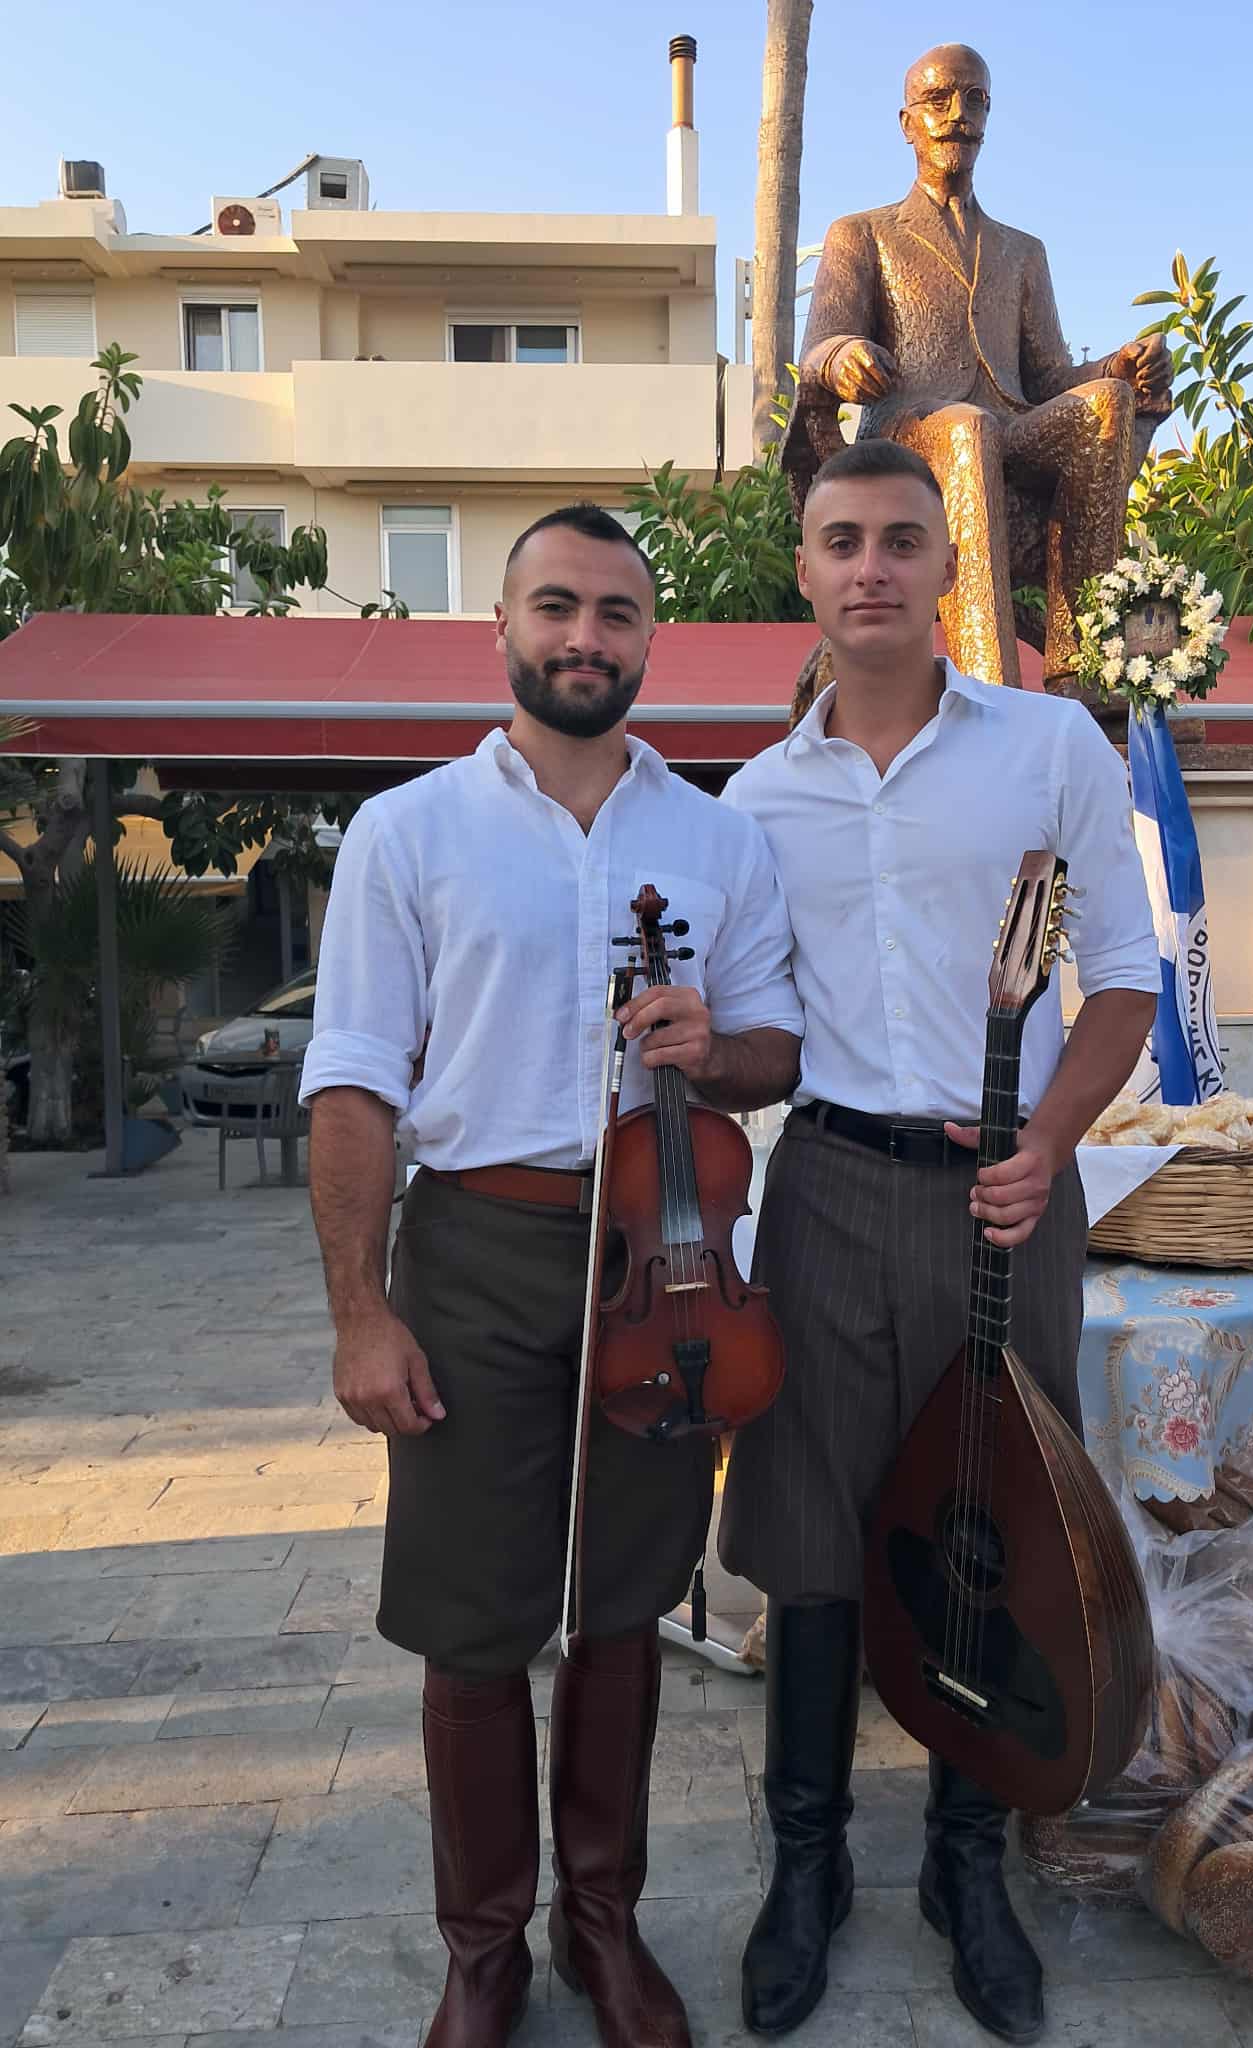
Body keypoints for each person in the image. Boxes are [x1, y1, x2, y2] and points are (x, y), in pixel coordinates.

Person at [300, 504, 803, 2048]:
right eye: (558, 607)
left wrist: (715, 1047)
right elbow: (354, 1081)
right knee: (472, 1619)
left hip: (668, 1253)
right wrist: (362, 1313)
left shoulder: (717, 838)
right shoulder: (408, 832)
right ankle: (483, 1949)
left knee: (625, 1601)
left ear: (650, 639)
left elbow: (778, 1049)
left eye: (617, 613)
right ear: (505, 626)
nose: (587, 636)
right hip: (477, 1249)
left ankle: (602, 1921)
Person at [718, 439, 1161, 2043]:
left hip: (1008, 1194)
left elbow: (1125, 979)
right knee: (812, 1537)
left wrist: (1051, 1143)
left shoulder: (1048, 747)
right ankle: (810, 1865)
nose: (872, 567)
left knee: (1001, 1525)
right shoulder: (755, 799)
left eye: (901, 538)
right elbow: (764, 1031)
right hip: (829, 1190)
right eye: (841, 540)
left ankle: (968, 1868)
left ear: (945, 568)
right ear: (805, 570)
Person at [784, 41, 1173, 691]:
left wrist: (1121, 367)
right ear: (907, 122)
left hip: (1010, 426)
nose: (957, 114)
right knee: (969, 427)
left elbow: (1049, 378)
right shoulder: (864, 233)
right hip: (908, 432)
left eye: (975, 99)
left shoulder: (1023, 251)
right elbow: (819, 349)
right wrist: (843, 357)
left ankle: (1084, 669)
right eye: (938, 100)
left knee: (1105, 403)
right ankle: (992, 688)